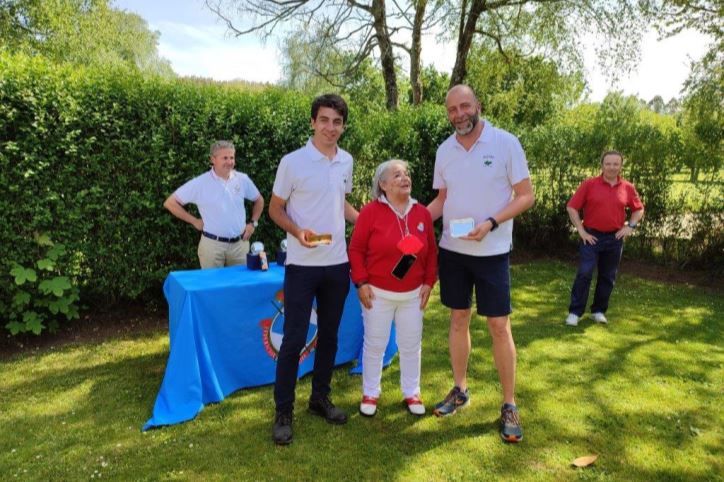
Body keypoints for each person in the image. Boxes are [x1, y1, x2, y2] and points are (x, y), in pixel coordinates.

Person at [427, 84, 535, 443]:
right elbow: (442, 200)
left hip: (492, 253)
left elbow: (526, 196)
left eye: (464, 106)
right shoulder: (445, 151)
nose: (459, 114)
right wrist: (408, 222)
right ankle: (460, 389)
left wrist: (491, 222)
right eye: (452, 110)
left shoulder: (506, 143)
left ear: (478, 106)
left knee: (498, 327)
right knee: (458, 319)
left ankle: (509, 403)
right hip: (454, 251)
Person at [268, 94, 359, 445]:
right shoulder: (292, 162)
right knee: (292, 340)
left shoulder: (346, 161)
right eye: (324, 120)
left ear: (342, 126)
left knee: (331, 337)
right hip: (302, 266)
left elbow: (341, 203)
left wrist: (368, 220)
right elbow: (276, 209)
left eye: (337, 122)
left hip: (338, 264)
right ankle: (283, 411)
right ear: (312, 123)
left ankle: (319, 399)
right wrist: (297, 231)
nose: (330, 128)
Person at [348, 160, 437, 418]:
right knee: (375, 344)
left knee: (410, 344)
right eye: (397, 175)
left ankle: (412, 391)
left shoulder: (421, 213)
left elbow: (431, 251)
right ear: (383, 185)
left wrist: (429, 282)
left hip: (412, 296)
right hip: (377, 293)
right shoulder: (370, 213)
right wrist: (361, 282)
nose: (404, 178)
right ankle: (370, 393)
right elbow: (355, 250)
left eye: (406, 174)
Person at [565, 150, 644, 326]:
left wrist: (629, 227)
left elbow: (638, 209)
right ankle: (575, 312)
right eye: (608, 163)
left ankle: (598, 311)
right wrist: (581, 230)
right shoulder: (589, 184)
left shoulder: (627, 187)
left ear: (621, 166)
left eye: (616, 164)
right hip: (591, 237)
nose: (612, 167)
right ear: (602, 165)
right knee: (585, 273)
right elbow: (572, 207)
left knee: (608, 276)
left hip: (614, 239)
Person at [163, 140, 264, 268]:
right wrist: (194, 221)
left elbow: (259, 200)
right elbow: (170, 203)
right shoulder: (200, 183)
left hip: (240, 246)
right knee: (213, 287)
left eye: (232, 157)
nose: (229, 162)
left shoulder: (242, 179)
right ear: (213, 159)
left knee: (239, 287)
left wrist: (253, 224)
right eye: (225, 158)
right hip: (212, 248)